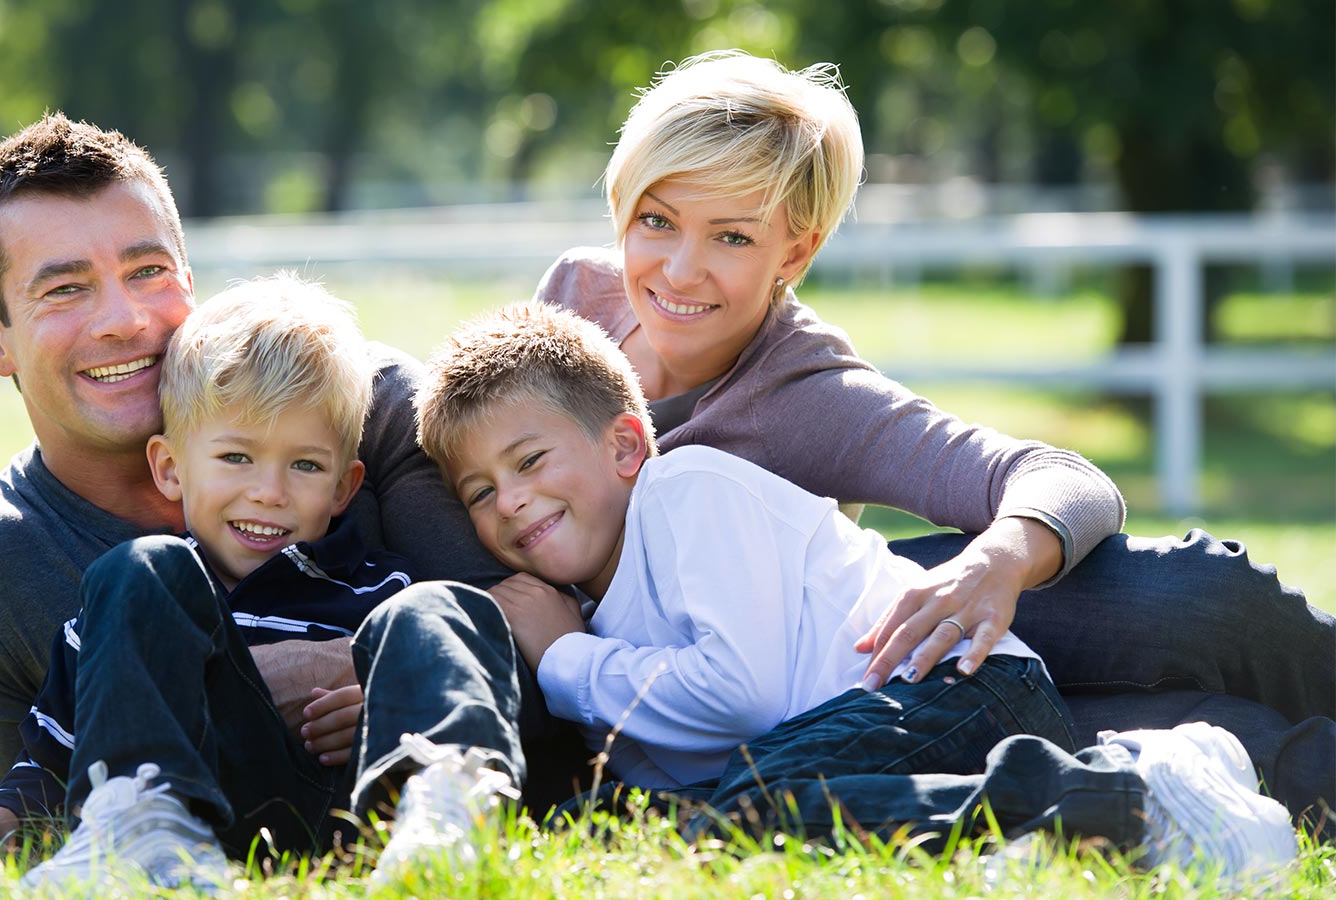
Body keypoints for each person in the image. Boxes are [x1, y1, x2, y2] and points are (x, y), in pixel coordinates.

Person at [530, 51, 1333, 828]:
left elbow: (1057, 476)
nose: (678, 270)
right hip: (758, 696)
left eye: (732, 237)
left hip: (847, 644)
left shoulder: (805, 393)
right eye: (656, 221)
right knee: (1175, 733)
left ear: (796, 251)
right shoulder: (575, 303)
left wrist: (998, 560)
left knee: (1194, 596)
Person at [412, 301, 1297, 882]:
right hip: (874, 738)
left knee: (754, 805)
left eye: (529, 462)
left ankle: (1132, 791)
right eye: (481, 492)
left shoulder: (686, 493)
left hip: (950, 682)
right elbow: (676, 773)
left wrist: (563, 659)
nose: (512, 499)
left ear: (625, 447)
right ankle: (1031, 841)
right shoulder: (592, 610)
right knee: (720, 824)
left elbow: (740, 691)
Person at [0, 113, 506, 814]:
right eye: (65, 289)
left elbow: (518, 653)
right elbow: (18, 832)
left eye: (147, 271)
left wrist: (377, 669)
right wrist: (208, 690)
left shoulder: (370, 409)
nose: (121, 320)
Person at [0, 276, 423, 886]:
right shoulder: (134, 604)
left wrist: (384, 708)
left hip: (321, 822)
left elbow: (447, 686)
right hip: (172, 824)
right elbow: (54, 757)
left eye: (304, 465)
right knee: (140, 565)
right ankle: (137, 825)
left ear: (344, 488)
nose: (268, 492)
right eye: (236, 458)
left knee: (435, 615)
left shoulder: (381, 591)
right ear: (170, 468)